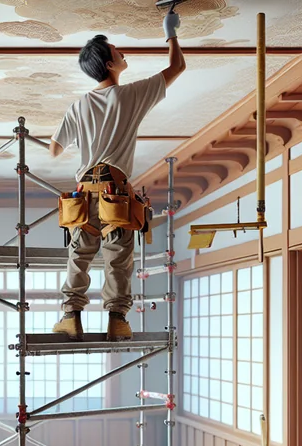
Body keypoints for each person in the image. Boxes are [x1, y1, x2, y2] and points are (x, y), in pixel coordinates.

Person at [49, 11, 186, 341]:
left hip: (82, 193)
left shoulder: (79, 105)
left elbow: (54, 149)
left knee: (78, 256)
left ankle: (70, 318)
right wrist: (171, 34)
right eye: (116, 50)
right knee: (118, 259)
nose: (122, 52)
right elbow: (176, 68)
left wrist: (87, 135)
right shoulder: (129, 95)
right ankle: (117, 321)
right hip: (114, 191)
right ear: (110, 64)